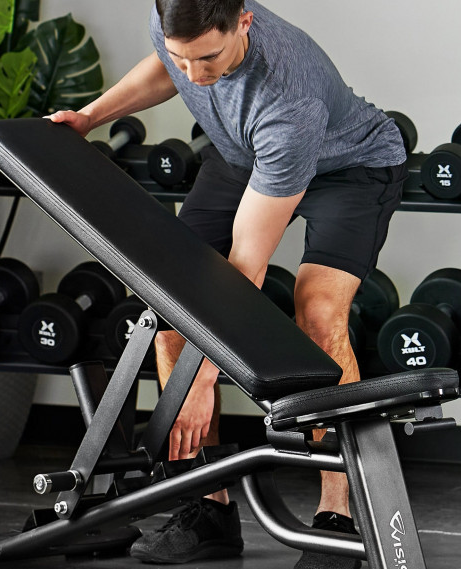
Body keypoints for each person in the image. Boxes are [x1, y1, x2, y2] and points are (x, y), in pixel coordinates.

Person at [48, 1, 406, 567]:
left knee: (318, 315)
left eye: (209, 59)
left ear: (244, 21)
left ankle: (338, 515)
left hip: (348, 167)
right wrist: (91, 116)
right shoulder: (177, 18)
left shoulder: (289, 101)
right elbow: (165, 66)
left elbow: (244, 268)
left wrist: (200, 379)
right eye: (183, 58)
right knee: (169, 307)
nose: (194, 76)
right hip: (242, 155)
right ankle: (209, 511)